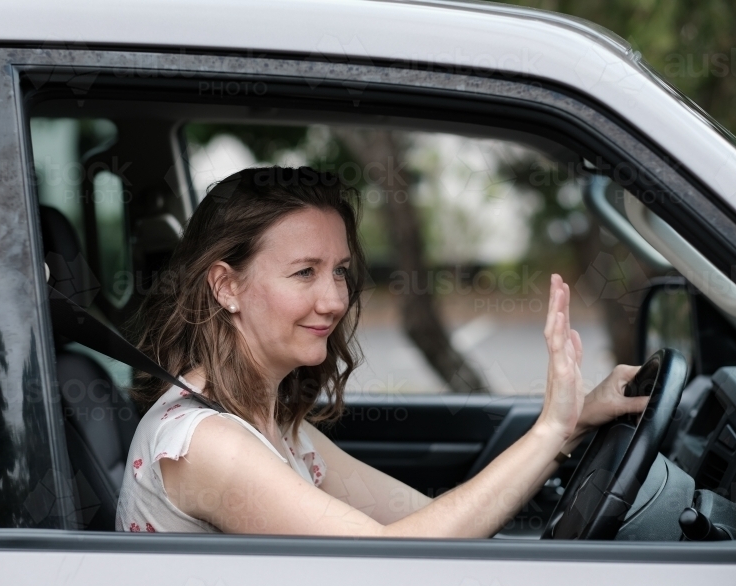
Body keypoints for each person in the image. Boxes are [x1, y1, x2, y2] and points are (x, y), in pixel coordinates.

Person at [115, 166, 648, 536]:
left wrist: (572, 422)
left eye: (341, 271)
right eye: (304, 272)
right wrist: (550, 429)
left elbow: (422, 520)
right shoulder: (205, 445)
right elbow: (393, 556)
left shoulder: (274, 427)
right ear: (225, 286)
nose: (335, 299)